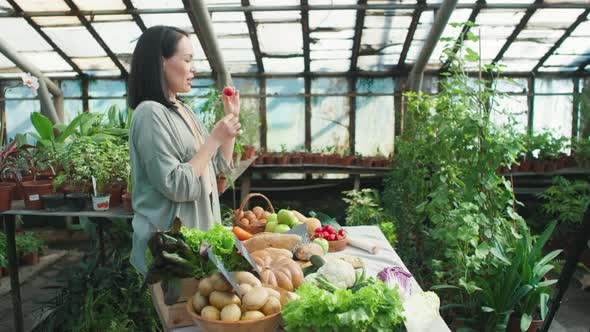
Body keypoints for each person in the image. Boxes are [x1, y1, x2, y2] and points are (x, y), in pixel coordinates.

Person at [127, 26, 241, 274]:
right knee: (176, 312)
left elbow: (217, 167)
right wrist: (213, 140)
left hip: (193, 245)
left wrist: (230, 123)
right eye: (187, 60)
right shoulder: (149, 113)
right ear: (162, 63)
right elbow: (176, 185)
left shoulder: (182, 109)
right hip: (169, 254)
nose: (193, 68)